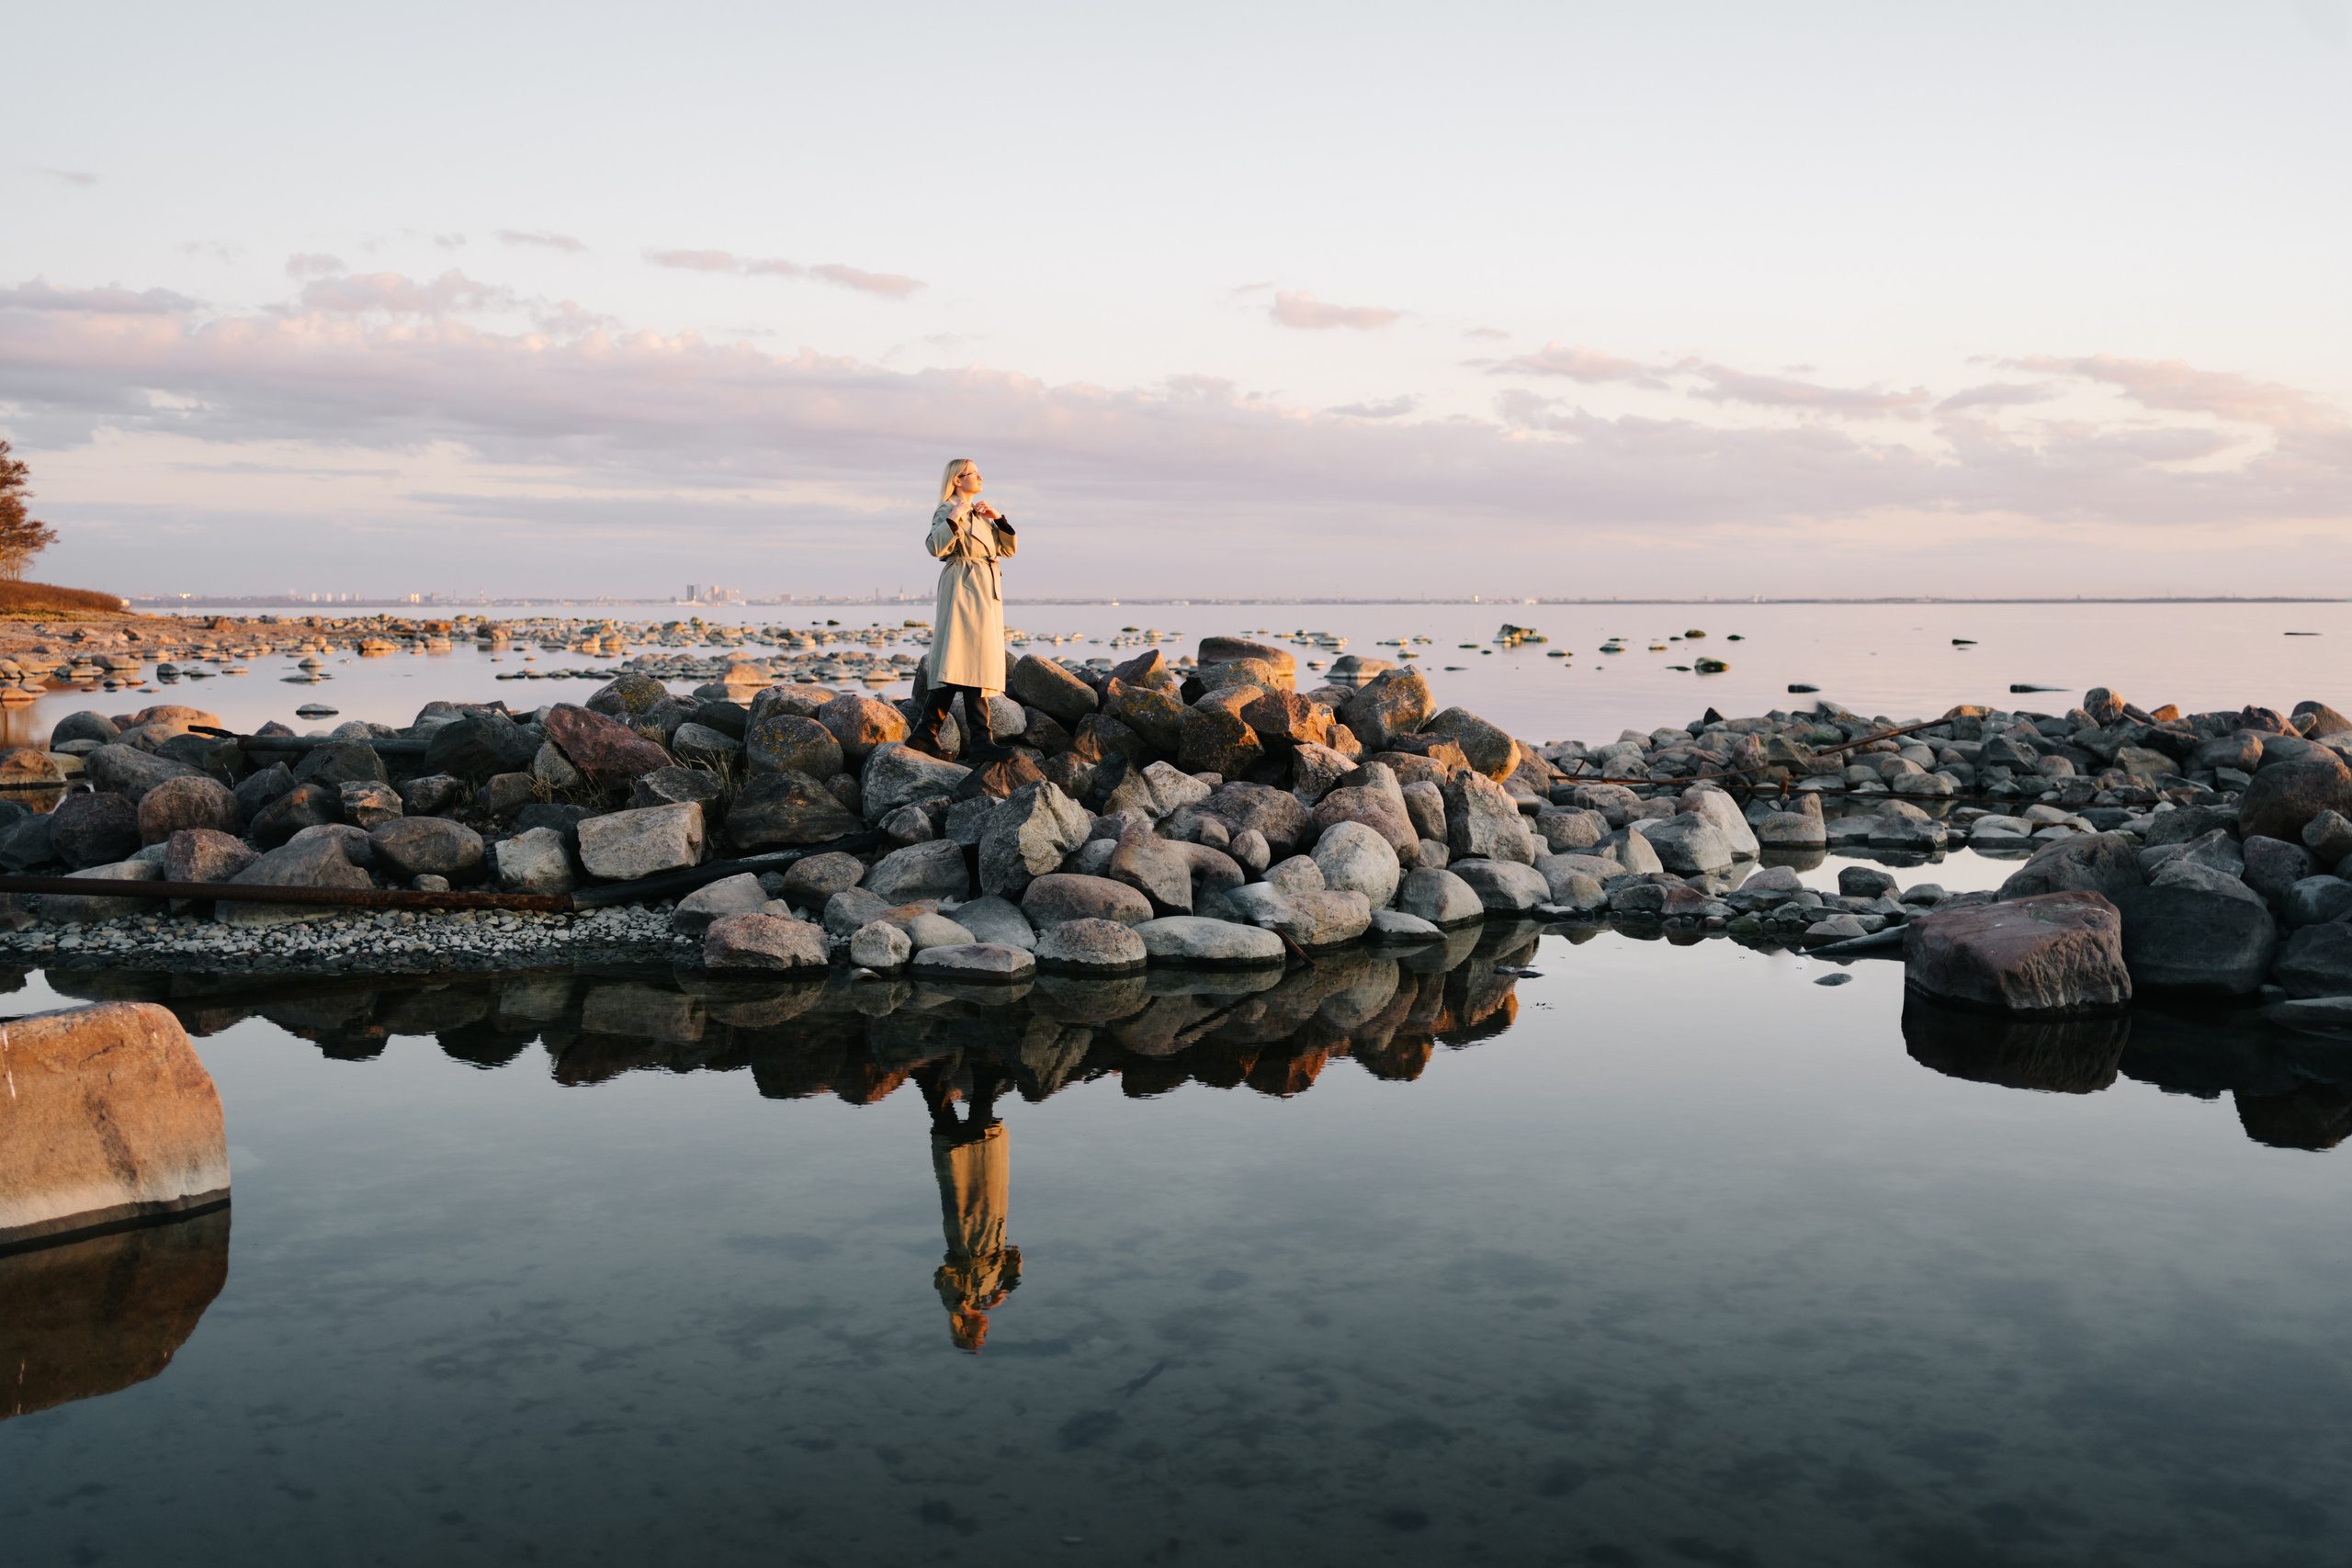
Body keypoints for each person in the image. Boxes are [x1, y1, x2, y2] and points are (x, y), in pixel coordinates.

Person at [911, 458, 1017, 761]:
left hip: (985, 588)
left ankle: (926, 733)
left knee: (969, 660)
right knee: (968, 659)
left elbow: (1007, 550)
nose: (980, 477)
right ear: (957, 480)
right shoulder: (948, 508)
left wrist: (999, 520)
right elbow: (935, 547)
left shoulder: (982, 514)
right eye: (973, 473)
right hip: (964, 587)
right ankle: (980, 739)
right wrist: (954, 518)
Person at [916, 1057, 1021, 1353]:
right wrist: (1003, 1291)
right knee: (982, 1148)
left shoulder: (955, 1302)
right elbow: (1014, 1258)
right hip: (992, 1226)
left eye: (980, 1335)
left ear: (966, 1331)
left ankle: (932, 1077)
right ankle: (977, 1076)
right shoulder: (987, 1294)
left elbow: (944, 1275)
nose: (985, 1329)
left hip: (966, 1232)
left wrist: (962, 1307)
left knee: (957, 1157)